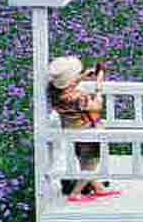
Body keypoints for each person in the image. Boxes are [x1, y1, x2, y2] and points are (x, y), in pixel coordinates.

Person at [48, 55, 116, 200]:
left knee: (84, 159)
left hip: (71, 130)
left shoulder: (55, 93)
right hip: (87, 131)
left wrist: (83, 76)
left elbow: (66, 86)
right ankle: (75, 193)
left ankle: (98, 188)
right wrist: (99, 86)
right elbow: (97, 107)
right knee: (92, 162)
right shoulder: (78, 98)